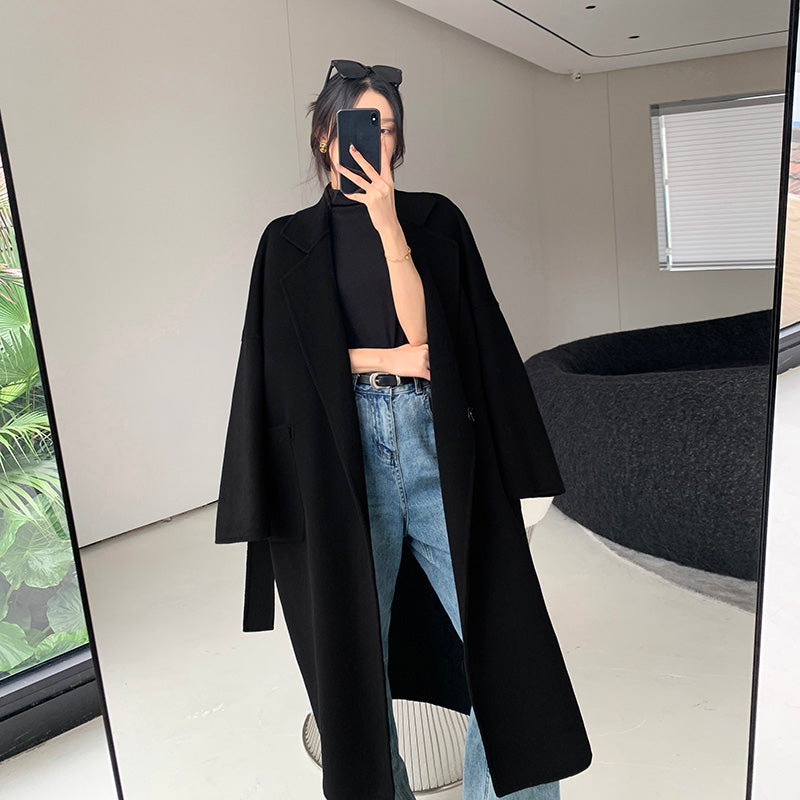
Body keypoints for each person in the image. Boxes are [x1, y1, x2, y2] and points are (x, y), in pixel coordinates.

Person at [307, 59, 560, 800]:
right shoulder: (288, 242)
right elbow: (293, 365)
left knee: (507, 650)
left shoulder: (434, 219)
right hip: (347, 455)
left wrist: (387, 225)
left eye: (387, 128)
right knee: (358, 667)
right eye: (361, 124)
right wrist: (383, 358)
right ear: (325, 135)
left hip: (435, 442)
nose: (375, 140)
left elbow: (436, 341)